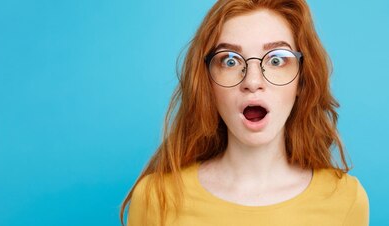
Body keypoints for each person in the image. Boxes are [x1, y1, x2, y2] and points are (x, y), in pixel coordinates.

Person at [119, 0, 369, 225]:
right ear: (208, 83)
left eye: (276, 59)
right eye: (230, 60)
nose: (252, 81)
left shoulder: (346, 200)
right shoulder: (155, 198)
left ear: (301, 81)